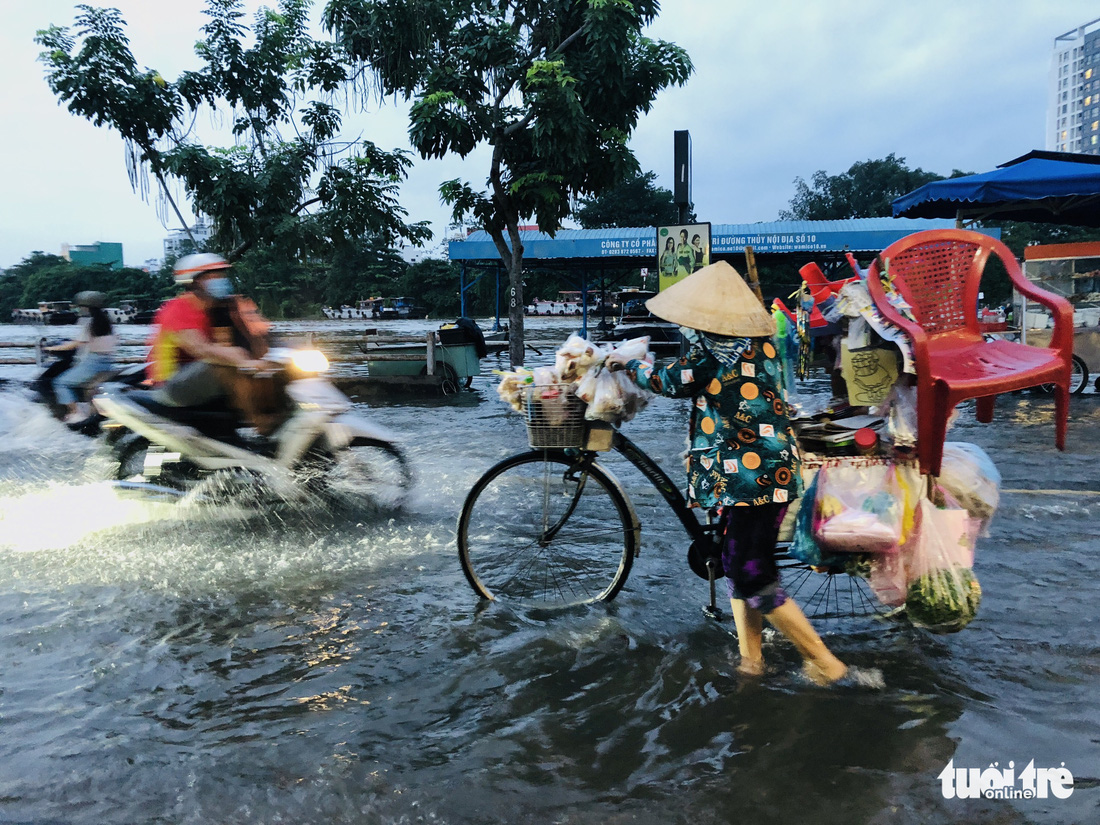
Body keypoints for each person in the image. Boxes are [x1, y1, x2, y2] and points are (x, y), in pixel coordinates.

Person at [606, 260, 849, 685]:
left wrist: (628, 365)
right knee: (738, 563)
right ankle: (751, 661)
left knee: (750, 570)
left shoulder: (713, 350)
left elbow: (671, 380)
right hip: (762, 468)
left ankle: (825, 663)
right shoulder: (761, 343)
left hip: (752, 475)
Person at [147, 253, 268, 411]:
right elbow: (201, 348)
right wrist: (243, 359)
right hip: (170, 383)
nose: (221, 280)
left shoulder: (224, 308)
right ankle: (262, 425)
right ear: (196, 282)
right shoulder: (177, 309)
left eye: (222, 275)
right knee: (221, 364)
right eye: (213, 276)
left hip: (203, 380)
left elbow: (259, 333)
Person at [47, 291, 118, 423]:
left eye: (80, 306)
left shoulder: (89, 324)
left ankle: (76, 412)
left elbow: (75, 344)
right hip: (108, 362)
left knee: (60, 383)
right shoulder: (108, 322)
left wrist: (51, 348)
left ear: (86, 307)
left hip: (93, 362)